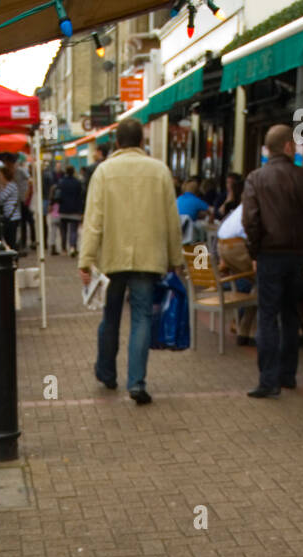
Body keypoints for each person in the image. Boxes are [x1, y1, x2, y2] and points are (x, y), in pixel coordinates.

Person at [79, 117, 183, 405]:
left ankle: (106, 372)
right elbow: (172, 221)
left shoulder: (104, 172)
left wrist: (86, 260)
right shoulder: (159, 171)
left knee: (110, 316)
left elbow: (94, 221)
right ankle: (136, 382)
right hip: (148, 259)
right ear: (141, 141)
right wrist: (176, 257)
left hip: (111, 259)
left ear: (116, 143)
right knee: (141, 318)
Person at [241, 123, 303, 397]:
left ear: (269, 149)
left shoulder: (256, 178)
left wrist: (255, 251)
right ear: (289, 147)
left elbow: (250, 220)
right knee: (290, 314)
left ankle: (268, 380)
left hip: (269, 254)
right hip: (297, 254)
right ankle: (288, 374)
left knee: (267, 315)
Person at [215, 200, 256, 345]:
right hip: (238, 246)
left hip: (224, 245)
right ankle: (246, 327)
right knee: (265, 280)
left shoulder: (244, 205)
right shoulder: (265, 202)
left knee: (256, 281)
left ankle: (243, 325)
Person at [56, 165, 84, 256]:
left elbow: (58, 195)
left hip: (63, 209)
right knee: (73, 230)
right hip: (75, 209)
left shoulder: (61, 182)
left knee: (63, 230)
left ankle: (64, 248)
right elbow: (81, 196)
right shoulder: (77, 182)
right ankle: (73, 247)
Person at [0, 163, 21, 250]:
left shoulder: (10, 186)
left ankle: (13, 257)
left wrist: (0, 189)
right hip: (11, 216)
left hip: (12, 217)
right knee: (10, 239)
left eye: (0, 174)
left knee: (10, 239)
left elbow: (0, 199)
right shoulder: (11, 185)